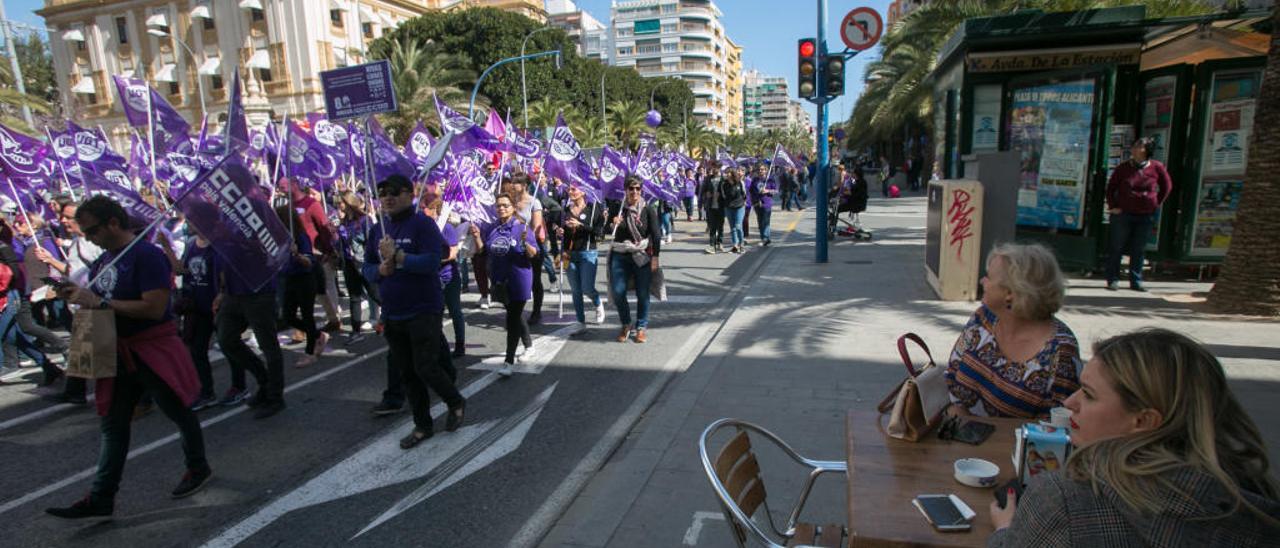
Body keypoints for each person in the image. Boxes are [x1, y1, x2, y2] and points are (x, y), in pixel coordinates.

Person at [989, 328, 1280, 546]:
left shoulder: (1067, 499)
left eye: (1089, 395)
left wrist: (1005, 530)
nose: (1070, 403)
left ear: (1143, 421)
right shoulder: (1255, 499)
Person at [45, 196, 211, 519]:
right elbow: (99, 299)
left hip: (150, 348)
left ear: (113, 223)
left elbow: (153, 307)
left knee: (177, 409)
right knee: (113, 425)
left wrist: (99, 303)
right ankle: (102, 496)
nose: (88, 237)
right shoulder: (102, 262)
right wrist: (77, 296)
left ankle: (198, 466)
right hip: (117, 350)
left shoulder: (147, 256)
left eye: (92, 230)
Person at [363, 174, 465, 450]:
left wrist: (399, 257)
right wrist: (380, 270)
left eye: (395, 191)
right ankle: (423, 425)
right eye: (382, 192)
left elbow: (432, 262)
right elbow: (367, 267)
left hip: (423, 308)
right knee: (407, 373)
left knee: (425, 367)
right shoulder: (378, 230)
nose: (387, 197)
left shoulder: (423, 224)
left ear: (410, 194)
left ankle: (455, 401)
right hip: (393, 312)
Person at [945, 243, 1081, 419]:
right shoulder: (983, 319)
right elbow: (951, 378)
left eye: (988, 277)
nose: (982, 281)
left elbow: (1056, 426)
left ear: (1010, 292)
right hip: (956, 433)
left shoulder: (1060, 353)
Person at [472, 193, 537, 377]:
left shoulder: (522, 228)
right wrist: (477, 237)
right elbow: (483, 251)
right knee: (513, 314)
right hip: (500, 281)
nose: (501, 208)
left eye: (505, 205)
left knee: (512, 319)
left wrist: (526, 243)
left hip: (519, 279)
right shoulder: (492, 228)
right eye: (499, 205)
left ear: (513, 207)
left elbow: (533, 255)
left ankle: (508, 362)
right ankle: (529, 345)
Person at [1105, 137, 1172, 292]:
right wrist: (1113, 206)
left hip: (1145, 214)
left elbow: (1167, 186)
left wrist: (1156, 202)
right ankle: (1112, 279)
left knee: (1139, 248)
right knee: (1116, 246)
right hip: (1123, 213)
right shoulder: (1123, 168)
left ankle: (1136, 280)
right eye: (1134, 146)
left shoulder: (1156, 167)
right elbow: (1111, 188)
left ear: (1147, 150)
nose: (1135, 149)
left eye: (1139, 146)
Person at [608, 176, 662, 344]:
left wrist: (655, 257)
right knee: (618, 291)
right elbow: (604, 230)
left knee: (642, 293)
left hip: (642, 255)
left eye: (638, 188)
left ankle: (641, 327)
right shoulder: (618, 208)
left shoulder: (648, 209)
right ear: (625, 190)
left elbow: (656, 234)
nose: (634, 192)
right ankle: (626, 324)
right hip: (620, 254)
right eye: (631, 188)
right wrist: (612, 223)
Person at [277, 206, 328, 368]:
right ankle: (318, 335)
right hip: (289, 279)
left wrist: (296, 254)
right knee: (288, 316)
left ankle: (309, 352)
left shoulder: (301, 237)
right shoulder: (281, 238)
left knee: (307, 315)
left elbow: (308, 262)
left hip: (305, 279)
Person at [556, 181, 607, 335]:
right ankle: (580, 321)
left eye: (574, 189)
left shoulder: (593, 209)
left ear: (583, 192)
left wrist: (581, 225)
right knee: (576, 290)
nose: (570, 191)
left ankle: (597, 303)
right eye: (569, 189)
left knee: (587, 287)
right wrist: (560, 231)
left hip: (588, 253)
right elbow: (561, 230)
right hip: (569, 254)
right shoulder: (565, 210)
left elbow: (600, 233)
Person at [178, 234, 219, 411]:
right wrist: (165, 246)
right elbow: (181, 270)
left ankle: (239, 386)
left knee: (229, 345)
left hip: (216, 305)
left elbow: (223, 273)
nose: (189, 220)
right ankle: (206, 392)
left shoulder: (218, 244)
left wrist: (222, 295)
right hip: (196, 306)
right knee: (197, 350)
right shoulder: (190, 244)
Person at [423, 195, 466, 358]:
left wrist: (433, 260)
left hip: (448, 276)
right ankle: (438, 346)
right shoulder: (423, 228)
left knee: (455, 311)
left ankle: (460, 345)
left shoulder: (446, 228)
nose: (422, 211)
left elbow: (453, 253)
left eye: (425, 208)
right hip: (431, 277)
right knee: (435, 313)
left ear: (435, 209)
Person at [336, 190, 378, 345]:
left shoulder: (365, 221)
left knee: (375, 293)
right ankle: (355, 331)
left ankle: (392, 320)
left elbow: (372, 241)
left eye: (340, 203)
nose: (338, 206)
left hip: (364, 262)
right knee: (354, 297)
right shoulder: (344, 222)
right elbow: (341, 243)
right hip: (348, 263)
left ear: (348, 203)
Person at [506, 173, 546, 326]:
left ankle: (536, 311)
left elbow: (535, 226)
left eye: (516, 182)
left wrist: (518, 217)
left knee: (535, 280)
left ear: (524, 185)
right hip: (514, 244)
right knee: (514, 277)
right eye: (513, 182)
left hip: (531, 244)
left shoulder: (534, 202)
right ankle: (515, 312)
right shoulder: (512, 201)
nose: (513, 185)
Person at [699, 162, 725, 254]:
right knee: (712, 226)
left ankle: (720, 242)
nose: (715, 169)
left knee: (720, 226)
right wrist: (705, 195)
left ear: (720, 168)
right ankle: (712, 245)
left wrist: (721, 195)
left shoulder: (724, 179)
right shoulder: (708, 179)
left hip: (721, 206)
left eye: (717, 167)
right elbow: (702, 191)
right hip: (710, 206)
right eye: (713, 167)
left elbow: (728, 192)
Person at [722, 168, 748, 254]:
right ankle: (735, 245)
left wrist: (744, 202)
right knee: (732, 227)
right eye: (726, 173)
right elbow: (723, 196)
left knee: (738, 226)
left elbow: (744, 194)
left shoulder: (740, 182)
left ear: (732, 173)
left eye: (728, 173)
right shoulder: (724, 184)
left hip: (739, 207)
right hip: (729, 207)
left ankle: (741, 244)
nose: (726, 174)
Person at [749, 164, 775, 246]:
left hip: (767, 203)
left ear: (766, 170)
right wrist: (753, 200)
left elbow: (776, 190)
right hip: (757, 203)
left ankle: (766, 238)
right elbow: (751, 191)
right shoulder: (755, 180)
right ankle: (763, 237)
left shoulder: (770, 179)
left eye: (762, 169)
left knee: (766, 221)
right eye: (759, 169)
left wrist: (767, 191)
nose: (761, 171)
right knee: (760, 222)